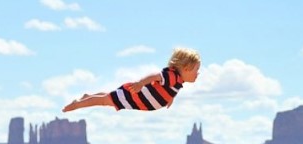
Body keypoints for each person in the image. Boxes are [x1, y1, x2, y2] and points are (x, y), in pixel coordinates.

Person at [62, 47, 200, 112]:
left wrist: (170, 98)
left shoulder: (177, 81)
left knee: (108, 97)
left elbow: (168, 88)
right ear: (186, 68)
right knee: (105, 101)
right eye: (196, 70)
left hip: (138, 100)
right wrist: (140, 83)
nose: (198, 74)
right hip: (135, 96)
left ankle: (88, 96)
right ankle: (78, 104)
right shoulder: (172, 76)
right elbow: (156, 76)